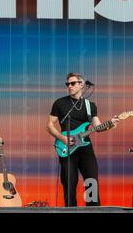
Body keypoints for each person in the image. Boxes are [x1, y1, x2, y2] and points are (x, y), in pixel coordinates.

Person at [46, 73, 120, 206]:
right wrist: (62, 138)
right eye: (67, 84)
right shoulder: (60, 103)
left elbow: (97, 127)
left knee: (92, 182)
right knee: (69, 185)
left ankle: (93, 210)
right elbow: (49, 125)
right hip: (67, 148)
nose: (69, 86)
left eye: (73, 83)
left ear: (81, 84)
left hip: (85, 149)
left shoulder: (89, 105)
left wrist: (110, 125)